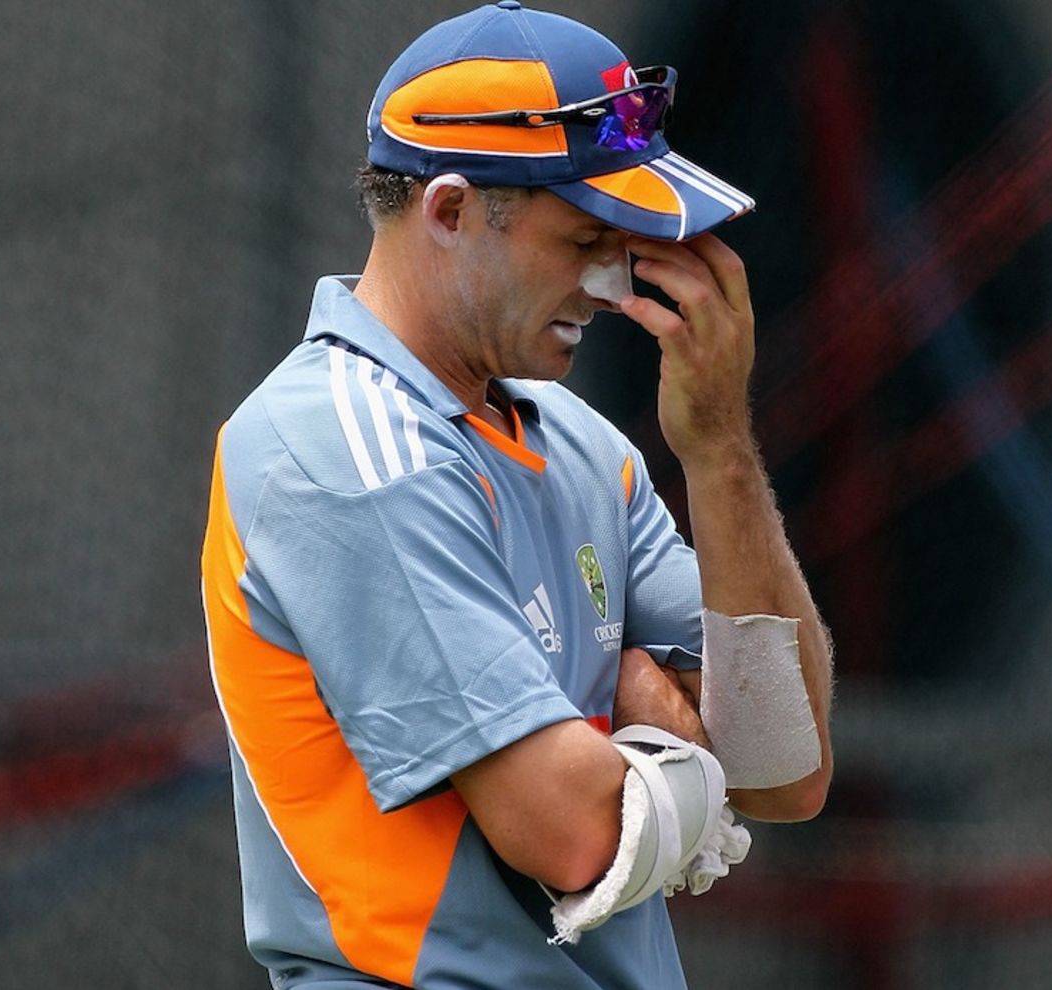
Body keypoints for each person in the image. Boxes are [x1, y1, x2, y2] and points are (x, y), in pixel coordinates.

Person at [201, 3, 834, 987]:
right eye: (583, 239)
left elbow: (786, 769)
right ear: (449, 212)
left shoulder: (580, 441)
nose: (612, 285)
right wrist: (659, 725)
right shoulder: (337, 444)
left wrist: (718, 452)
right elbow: (570, 833)